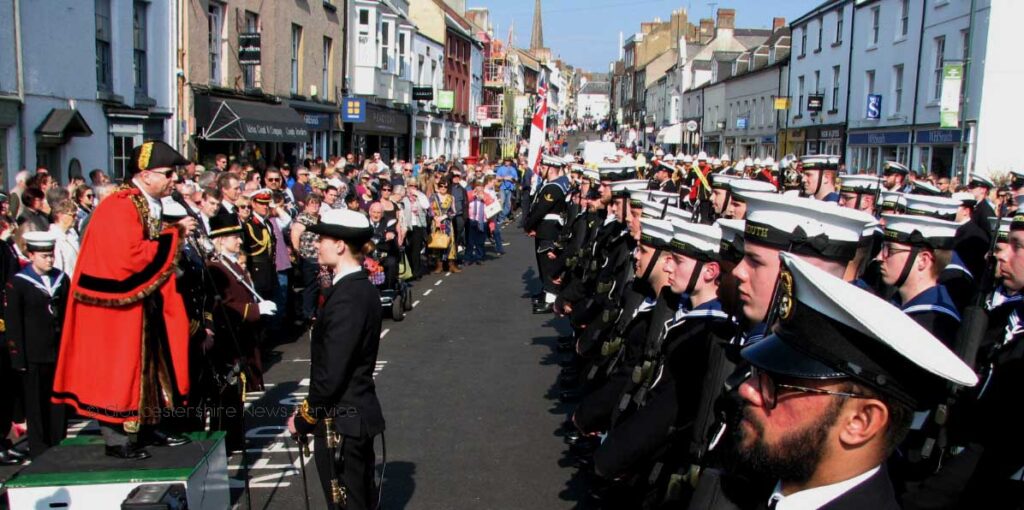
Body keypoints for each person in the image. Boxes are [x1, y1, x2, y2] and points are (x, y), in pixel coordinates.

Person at [732, 252, 976, 509]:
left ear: (861, 421)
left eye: (777, 384)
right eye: (757, 372)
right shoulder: (758, 489)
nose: (747, 389)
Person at [52, 140, 196, 460]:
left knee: (150, 366)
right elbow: (128, 259)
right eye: (169, 174)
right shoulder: (119, 205)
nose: (175, 180)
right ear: (145, 175)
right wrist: (175, 235)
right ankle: (116, 438)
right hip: (111, 305)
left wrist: (169, 235)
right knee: (117, 371)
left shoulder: (145, 203)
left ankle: (147, 424)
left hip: (144, 301)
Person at [288, 208, 385, 510]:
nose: (317, 245)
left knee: (347, 503)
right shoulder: (353, 288)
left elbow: (332, 372)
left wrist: (304, 419)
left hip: (343, 420)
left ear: (341, 245)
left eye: (323, 239)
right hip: (350, 415)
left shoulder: (349, 295)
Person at [205, 213, 277, 452]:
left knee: (236, 395)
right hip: (228, 339)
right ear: (220, 239)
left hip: (241, 336)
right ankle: (224, 441)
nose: (239, 241)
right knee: (227, 393)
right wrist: (255, 309)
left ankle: (234, 438)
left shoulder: (232, 264)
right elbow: (221, 307)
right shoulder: (215, 267)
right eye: (234, 237)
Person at [6, 231, 69, 458]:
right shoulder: (19, 283)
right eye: (43, 256)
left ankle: (58, 440)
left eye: (51, 255)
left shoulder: (61, 279)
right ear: (31, 255)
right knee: (35, 403)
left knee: (57, 401)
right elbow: (14, 322)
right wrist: (18, 357)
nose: (49, 260)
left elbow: (66, 316)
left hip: (57, 350)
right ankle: (39, 446)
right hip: (33, 352)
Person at [291, 194, 322, 323]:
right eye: (311, 203)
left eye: (317, 203)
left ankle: (317, 311)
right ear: (306, 204)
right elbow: (295, 238)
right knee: (311, 287)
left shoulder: (319, 219)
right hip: (308, 258)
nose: (314, 206)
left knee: (321, 286)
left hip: (319, 258)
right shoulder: (302, 219)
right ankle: (307, 314)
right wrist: (299, 255)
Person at [429, 178, 458, 273]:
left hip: (447, 223)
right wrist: (435, 218)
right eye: (441, 186)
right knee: (437, 242)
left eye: (445, 186)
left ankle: (451, 265)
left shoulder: (451, 197)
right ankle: (439, 265)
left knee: (450, 242)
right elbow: (429, 210)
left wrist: (444, 217)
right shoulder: (433, 196)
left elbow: (454, 212)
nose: (443, 188)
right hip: (436, 223)